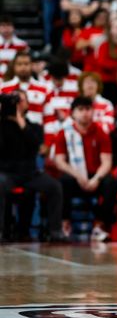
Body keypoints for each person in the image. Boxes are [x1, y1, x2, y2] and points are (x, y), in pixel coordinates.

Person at [0, 91, 66, 242]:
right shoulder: (2, 127)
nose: (17, 105)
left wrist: (20, 122)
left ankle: (55, 231)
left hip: (30, 173)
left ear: (27, 105)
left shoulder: (34, 127)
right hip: (7, 173)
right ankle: (1, 231)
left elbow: (36, 146)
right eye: (15, 102)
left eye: (21, 101)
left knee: (54, 186)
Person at [53, 96, 117, 242]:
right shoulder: (64, 133)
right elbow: (60, 162)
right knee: (62, 182)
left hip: (95, 176)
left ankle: (99, 226)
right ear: (73, 113)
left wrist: (96, 179)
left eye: (88, 109)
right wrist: (77, 176)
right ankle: (65, 224)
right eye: (80, 109)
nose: (85, 113)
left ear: (93, 111)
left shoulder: (100, 133)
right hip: (74, 176)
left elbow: (106, 162)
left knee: (112, 183)